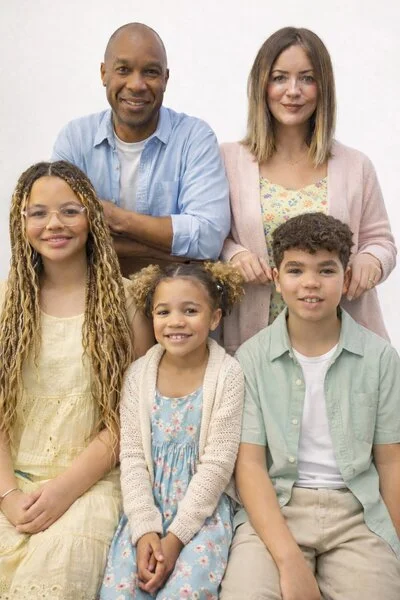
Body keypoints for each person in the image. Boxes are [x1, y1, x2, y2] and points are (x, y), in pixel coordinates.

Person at [220, 212, 400, 600]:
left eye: (326, 270)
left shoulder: (381, 358)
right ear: (276, 277)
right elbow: (249, 465)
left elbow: (390, 462)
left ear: (346, 278)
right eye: (296, 270)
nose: (311, 283)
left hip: (357, 513)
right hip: (276, 506)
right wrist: (289, 562)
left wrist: (396, 543)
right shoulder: (251, 358)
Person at [0, 161, 154, 599]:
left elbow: (131, 418)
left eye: (70, 211)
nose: (54, 224)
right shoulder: (6, 302)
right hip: (11, 482)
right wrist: (8, 496)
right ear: (21, 221)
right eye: (39, 213)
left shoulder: (126, 305)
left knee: (56, 571)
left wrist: (63, 491)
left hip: (90, 486)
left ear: (92, 219)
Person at [221, 26, 396, 354]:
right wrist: (235, 255)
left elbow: (382, 241)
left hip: (342, 346)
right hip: (254, 344)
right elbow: (209, 237)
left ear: (323, 87)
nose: (293, 91)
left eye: (307, 78)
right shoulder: (228, 160)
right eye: (279, 78)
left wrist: (371, 259)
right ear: (261, 85)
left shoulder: (355, 165)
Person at [99, 262, 244, 599]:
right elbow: (132, 457)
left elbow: (218, 465)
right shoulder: (138, 375)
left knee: (184, 592)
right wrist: (144, 531)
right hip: (144, 510)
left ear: (215, 318)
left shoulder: (228, 375)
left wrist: (176, 538)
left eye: (190, 311)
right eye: (163, 312)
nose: (176, 321)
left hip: (201, 515)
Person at [52, 22, 230, 276]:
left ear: (165, 79)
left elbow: (208, 238)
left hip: (172, 298)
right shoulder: (75, 139)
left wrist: (115, 218)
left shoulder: (194, 138)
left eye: (150, 72)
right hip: (92, 293)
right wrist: (165, 252)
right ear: (104, 73)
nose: (136, 85)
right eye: (123, 70)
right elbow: (61, 233)